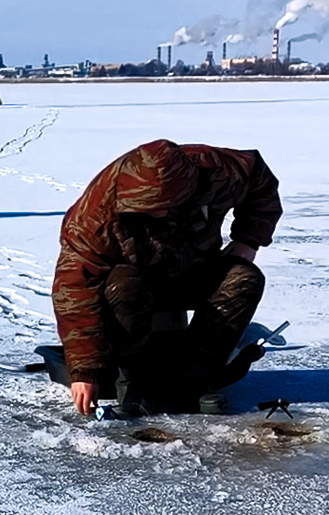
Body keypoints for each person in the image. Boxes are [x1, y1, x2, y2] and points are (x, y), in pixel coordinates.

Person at [52, 139, 282, 415]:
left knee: (243, 278)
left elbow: (259, 179)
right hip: (135, 284)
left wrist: (248, 240)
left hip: (196, 269)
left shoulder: (216, 170)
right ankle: (134, 380)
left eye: (166, 204)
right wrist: (85, 371)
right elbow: (74, 289)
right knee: (124, 286)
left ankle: (194, 377)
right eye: (147, 206)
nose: (158, 212)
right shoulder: (94, 215)